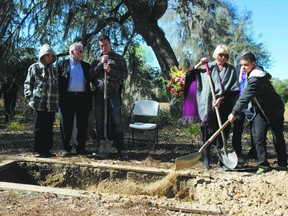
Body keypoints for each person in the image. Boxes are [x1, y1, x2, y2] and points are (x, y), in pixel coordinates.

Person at [228, 51, 287, 174]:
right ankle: (263, 165)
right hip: (261, 110)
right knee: (258, 136)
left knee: (277, 137)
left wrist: (234, 112)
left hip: (274, 109)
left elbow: (245, 96)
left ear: (253, 63)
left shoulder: (256, 78)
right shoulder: (251, 74)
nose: (243, 68)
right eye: (242, 65)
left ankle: (282, 164)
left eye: (246, 65)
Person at [182, 44, 239, 169]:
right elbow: (190, 75)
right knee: (206, 134)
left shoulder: (231, 69)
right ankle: (206, 160)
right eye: (220, 55)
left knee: (222, 134)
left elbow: (234, 91)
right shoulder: (207, 67)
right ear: (215, 55)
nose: (223, 57)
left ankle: (222, 161)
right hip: (207, 107)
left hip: (224, 106)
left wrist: (221, 98)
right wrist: (199, 64)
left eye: (226, 55)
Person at [90, 35, 128, 159]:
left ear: (110, 44)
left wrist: (110, 70)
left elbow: (124, 75)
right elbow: (90, 75)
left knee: (116, 121)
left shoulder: (119, 58)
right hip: (99, 94)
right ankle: (101, 147)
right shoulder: (96, 59)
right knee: (100, 121)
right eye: (101, 45)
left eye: (105, 44)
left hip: (113, 93)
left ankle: (120, 148)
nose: (103, 47)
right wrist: (100, 65)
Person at [57, 42, 92, 157]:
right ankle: (66, 148)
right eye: (80, 51)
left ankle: (80, 147)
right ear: (72, 52)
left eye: (82, 51)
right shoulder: (61, 64)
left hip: (82, 98)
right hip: (67, 98)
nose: (82, 53)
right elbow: (56, 82)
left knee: (82, 123)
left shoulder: (86, 66)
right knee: (66, 123)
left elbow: (93, 80)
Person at [24, 44, 58, 157]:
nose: (50, 57)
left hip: (51, 104)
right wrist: (30, 96)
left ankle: (47, 150)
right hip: (38, 103)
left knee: (49, 128)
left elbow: (57, 85)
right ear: (42, 55)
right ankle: (37, 150)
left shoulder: (55, 70)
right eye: (47, 55)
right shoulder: (34, 68)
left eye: (52, 55)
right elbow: (28, 83)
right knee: (39, 127)